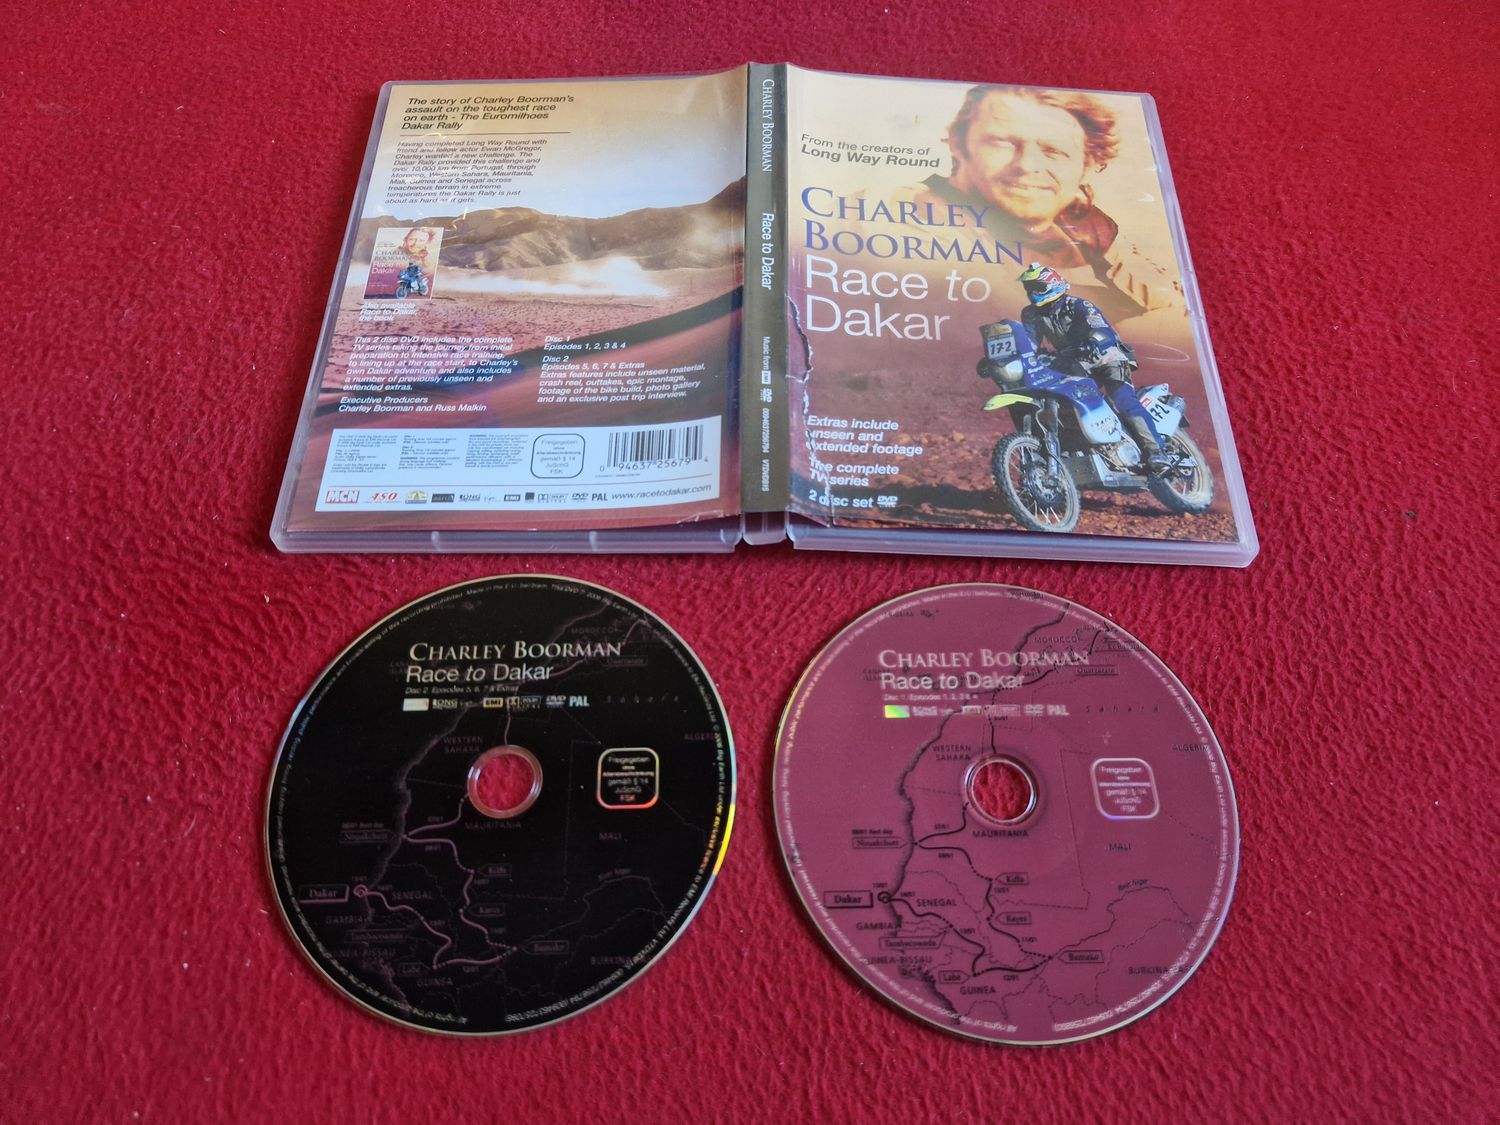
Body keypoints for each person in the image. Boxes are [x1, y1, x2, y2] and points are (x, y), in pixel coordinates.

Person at [920, 85, 1180, 317]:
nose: (1027, 164)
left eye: (1054, 151)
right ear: (958, 143)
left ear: (1088, 165)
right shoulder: (921, 215)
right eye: (1003, 143)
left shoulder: (1089, 224)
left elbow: (1169, 304)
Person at [1015, 262, 1170, 472]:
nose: (1032, 293)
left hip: (1107, 356)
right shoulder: (1030, 314)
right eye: (1029, 288)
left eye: (1037, 287)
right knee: (1069, 401)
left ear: (1052, 285)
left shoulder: (1077, 305)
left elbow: (1103, 329)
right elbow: (1030, 343)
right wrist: (1017, 357)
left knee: (1123, 399)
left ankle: (1157, 451)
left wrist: (1092, 341)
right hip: (1074, 363)